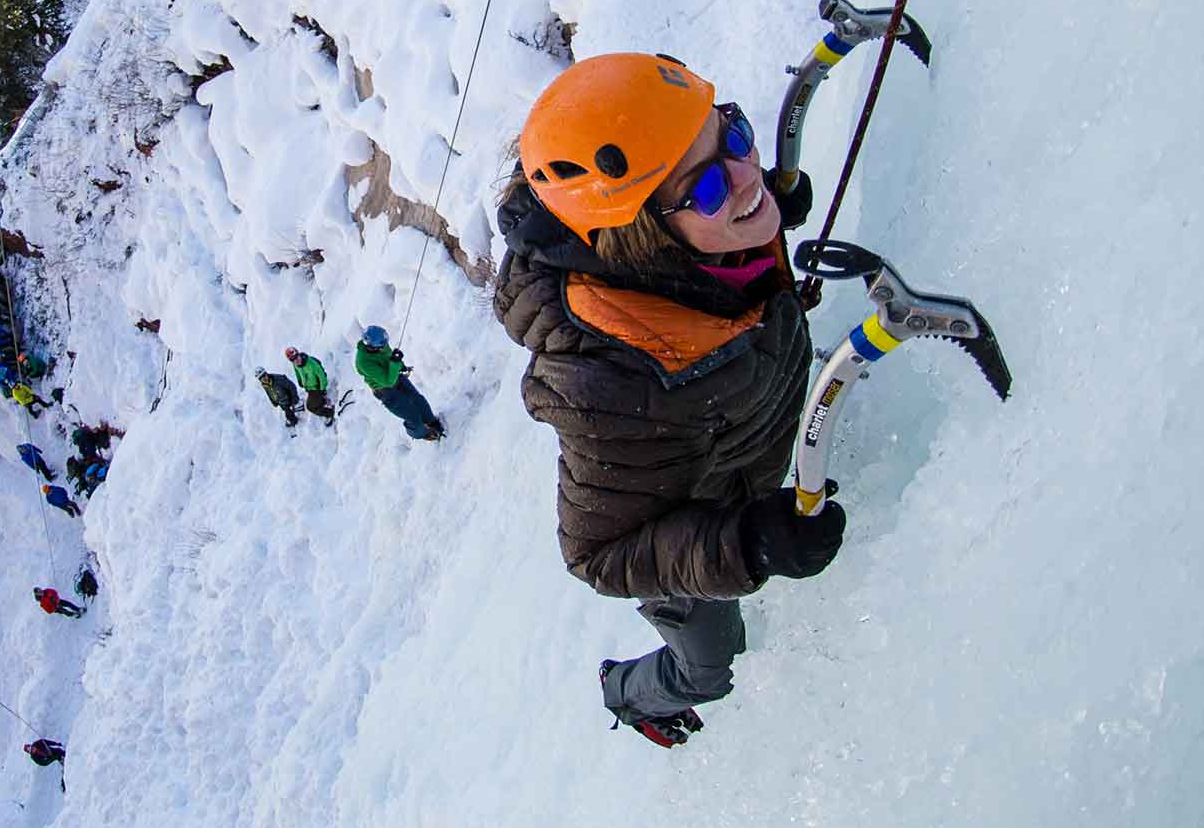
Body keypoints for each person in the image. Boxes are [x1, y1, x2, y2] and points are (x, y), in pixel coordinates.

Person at [491, 53, 844, 750]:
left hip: (752, 443)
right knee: (711, 665)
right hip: (683, 548)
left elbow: (724, 219)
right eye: (708, 185)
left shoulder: (707, 234)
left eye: (734, 136)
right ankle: (629, 695)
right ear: (642, 239)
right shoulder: (612, 390)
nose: (746, 177)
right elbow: (599, 552)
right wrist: (742, 543)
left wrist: (755, 206)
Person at [354, 327, 442, 440]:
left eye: (385, 344)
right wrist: (395, 363)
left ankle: (431, 421)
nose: (384, 347)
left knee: (418, 400)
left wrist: (401, 365)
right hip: (386, 391)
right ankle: (422, 434)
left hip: (396, 377)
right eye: (381, 346)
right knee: (412, 416)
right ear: (371, 347)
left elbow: (389, 357)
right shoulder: (363, 362)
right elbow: (387, 381)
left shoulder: (381, 345)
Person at [285, 347, 335, 422]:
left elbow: (322, 377)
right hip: (309, 387)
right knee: (313, 401)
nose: (295, 361)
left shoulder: (312, 364)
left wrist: (322, 390)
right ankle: (322, 401)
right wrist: (300, 381)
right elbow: (297, 372)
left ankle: (330, 412)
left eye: (296, 357)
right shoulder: (295, 364)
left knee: (310, 407)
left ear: (298, 354)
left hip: (317, 388)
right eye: (292, 360)